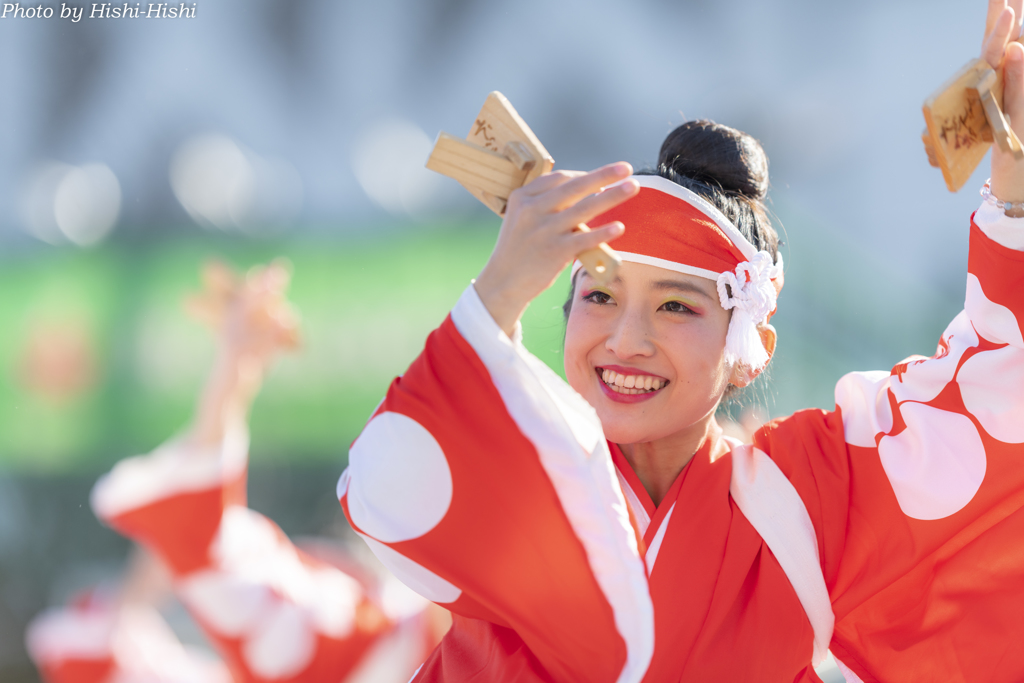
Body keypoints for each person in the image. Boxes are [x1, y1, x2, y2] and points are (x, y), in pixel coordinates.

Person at [336, 2, 1024, 681]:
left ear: (751, 348)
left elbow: (996, 400)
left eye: (675, 306)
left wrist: (1015, 189)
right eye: (600, 297)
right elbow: (390, 488)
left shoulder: (802, 494)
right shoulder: (525, 465)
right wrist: (499, 291)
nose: (626, 340)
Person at [29, 262, 446, 683]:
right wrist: (232, 373)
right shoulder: (292, 652)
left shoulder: (266, 645)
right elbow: (194, 531)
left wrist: (233, 374)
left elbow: (191, 530)